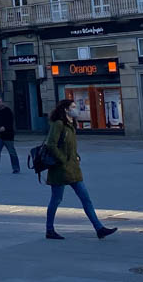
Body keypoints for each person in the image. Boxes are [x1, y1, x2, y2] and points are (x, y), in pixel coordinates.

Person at [44, 98, 116, 239]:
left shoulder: (71, 124)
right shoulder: (58, 124)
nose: (75, 109)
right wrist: (62, 159)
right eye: (73, 107)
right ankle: (49, 229)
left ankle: (99, 228)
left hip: (73, 168)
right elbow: (51, 144)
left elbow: (69, 145)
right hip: (60, 169)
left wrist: (75, 155)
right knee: (56, 200)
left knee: (86, 199)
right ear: (66, 109)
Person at [0, 97, 20, 174]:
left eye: (0, 102)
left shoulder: (8, 111)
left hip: (8, 136)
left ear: (3, 103)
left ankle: (16, 168)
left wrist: (5, 127)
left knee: (12, 152)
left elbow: (10, 122)